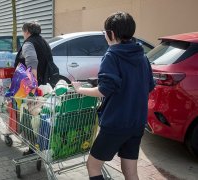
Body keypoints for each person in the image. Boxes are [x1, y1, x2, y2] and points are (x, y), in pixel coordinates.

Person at [72, 12, 155, 180]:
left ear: (111, 33)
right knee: (130, 170)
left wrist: (79, 89)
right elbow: (148, 86)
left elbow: (104, 90)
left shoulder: (112, 55)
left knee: (93, 166)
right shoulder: (142, 55)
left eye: (105, 31)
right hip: (137, 122)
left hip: (116, 123)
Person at [14, 20, 54, 155]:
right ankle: (41, 145)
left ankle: (33, 147)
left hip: (33, 87)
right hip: (45, 84)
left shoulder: (29, 43)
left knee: (30, 116)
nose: (23, 35)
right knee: (39, 116)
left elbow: (32, 62)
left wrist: (33, 85)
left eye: (23, 32)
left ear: (26, 32)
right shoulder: (44, 42)